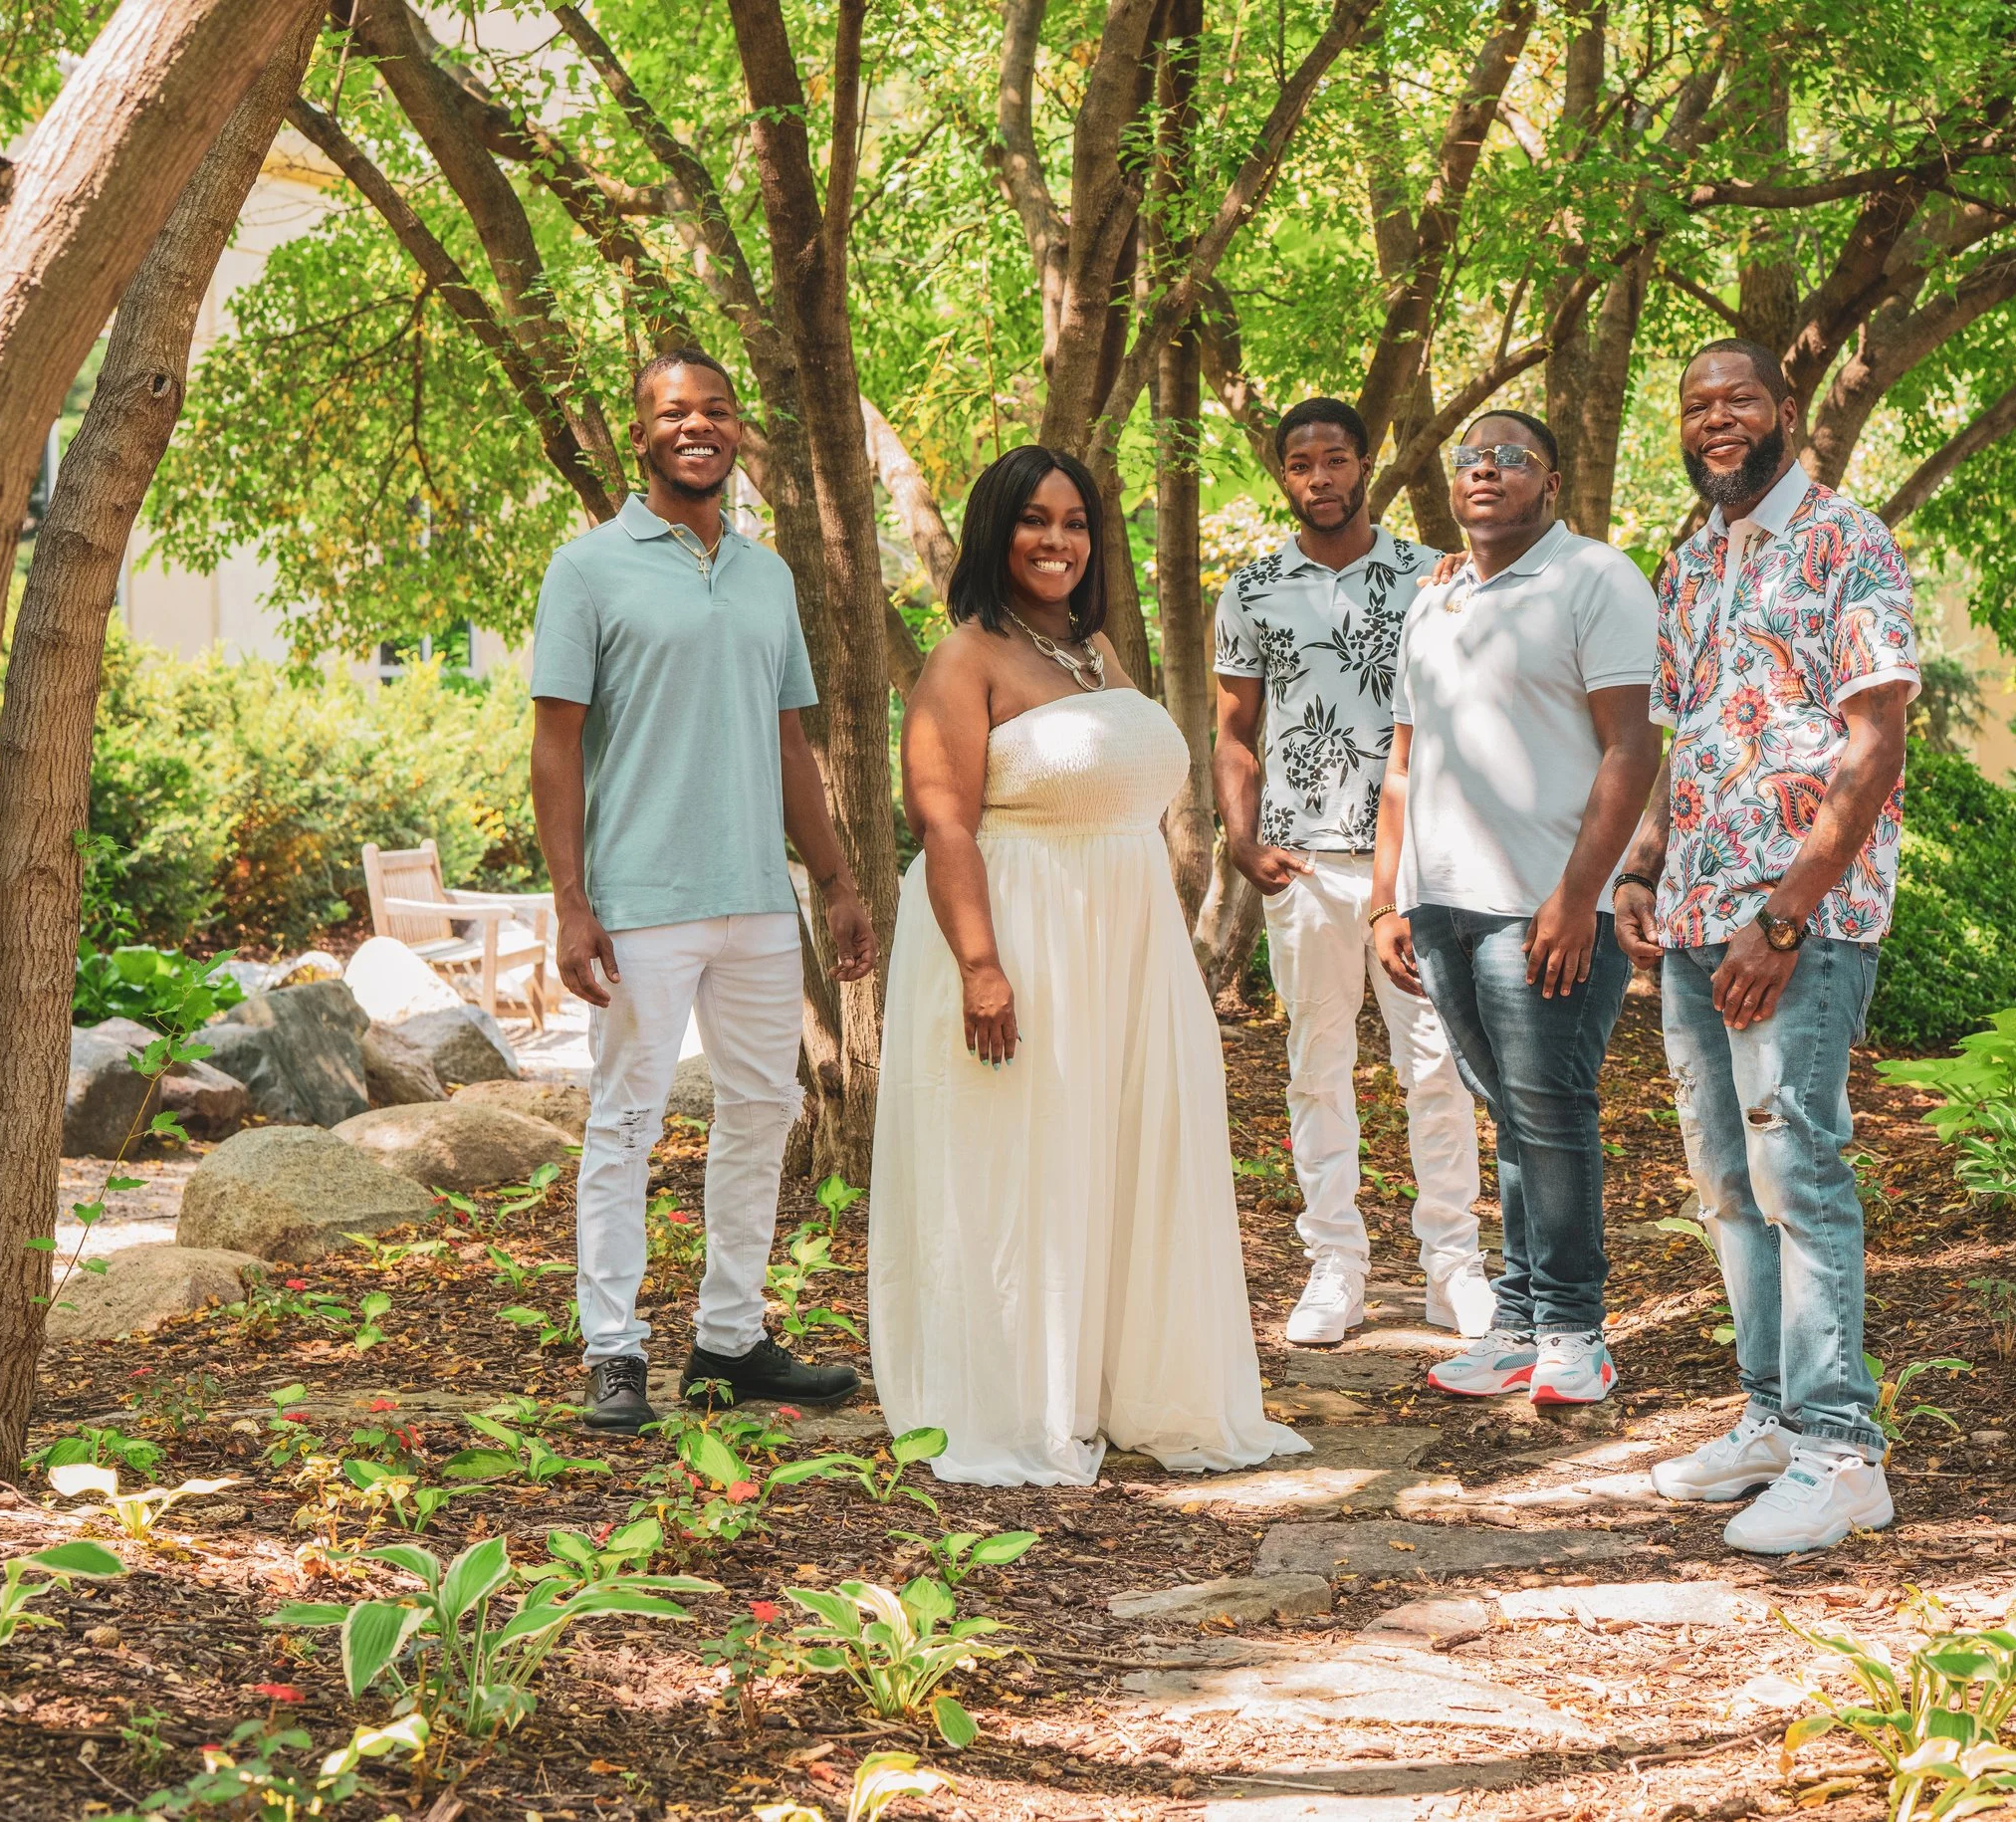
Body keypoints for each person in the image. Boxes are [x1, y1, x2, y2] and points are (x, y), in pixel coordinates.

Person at [867, 443, 1310, 1486]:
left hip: (1121, 936)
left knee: (1118, 1149)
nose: (1055, 540)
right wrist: (982, 966)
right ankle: (1018, 1393)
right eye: (1033, 520)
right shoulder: (964, 658)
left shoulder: (1093, 649)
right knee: (1017, 1158)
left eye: (1072, 522)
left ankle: (1118, 1382)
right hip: (1016, 932)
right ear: (992, 532)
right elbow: (945, 828)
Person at [531, 347, 879, 1436]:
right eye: (674, 412)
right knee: (626, 1121)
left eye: (716, 411)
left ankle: (729, 1342)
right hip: (640, 899)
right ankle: (613, 1352)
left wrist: (833, 879)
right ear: (639, 434)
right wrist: (572, 901)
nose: (698, 427)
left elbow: (788, 744)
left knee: (764, 1110)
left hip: (757, 902)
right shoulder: (587, 569)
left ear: (737, 432)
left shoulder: (767, 575)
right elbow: (553, 746)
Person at [1617, 339, 1918, 1555]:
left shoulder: (1850, 540)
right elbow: (1675, 738)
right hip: (1691, 914)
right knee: (1725, 1185)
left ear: (1785, 412)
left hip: (1797, 918)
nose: (1716, 419)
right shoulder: (1685, 559)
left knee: (1797, 1170)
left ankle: (1844, 1453)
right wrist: (1640, 868)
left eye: (1739, 399)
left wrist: (1786, 914)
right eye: (1696, 404)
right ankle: (1772, 1423)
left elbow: (1874, 741)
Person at [1370, 409, 1663, 1407]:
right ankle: (1519, 1323)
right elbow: (1405, 764)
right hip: (1444, 903)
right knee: (1510, 1117)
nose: (1484, 471)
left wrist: (1578, 899)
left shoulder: (1596, 579)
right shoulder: (1437, 600)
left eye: (1510, 458)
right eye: (1468, 459)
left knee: (1551, 1112)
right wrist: (1390, 901)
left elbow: (1632, 747)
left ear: (1550, 481)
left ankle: (1577, 1330)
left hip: (1545, 906)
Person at [1213, 397, 1493, 1348]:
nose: (1320, 478)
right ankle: (1335, 1266)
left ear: (1367, 464)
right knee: (1316, 1069)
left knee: (1438, 1067)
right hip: (1305, 870)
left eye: (1337, 460)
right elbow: (1233, 732)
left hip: (1418, 873)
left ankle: (1453, 1266)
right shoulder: (1251, 591)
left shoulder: (1431, 578)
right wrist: (1241, 840)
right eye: (1301, 463)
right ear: (1282, 474)